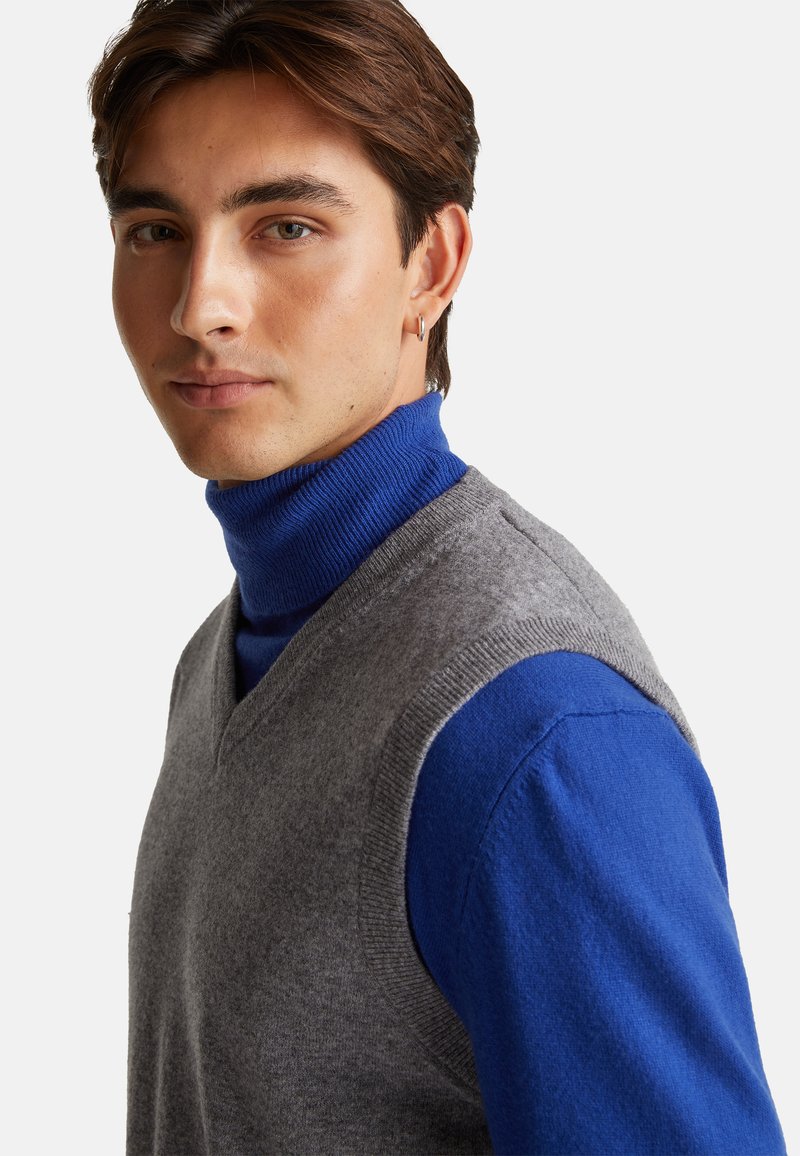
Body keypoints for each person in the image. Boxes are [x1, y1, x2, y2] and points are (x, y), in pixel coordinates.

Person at [89, 2, 786, 1153]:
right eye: (155, 229)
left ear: (433, 262)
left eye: (286, 227)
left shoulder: (535, 732)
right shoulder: (226, 652)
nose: (200, 304)